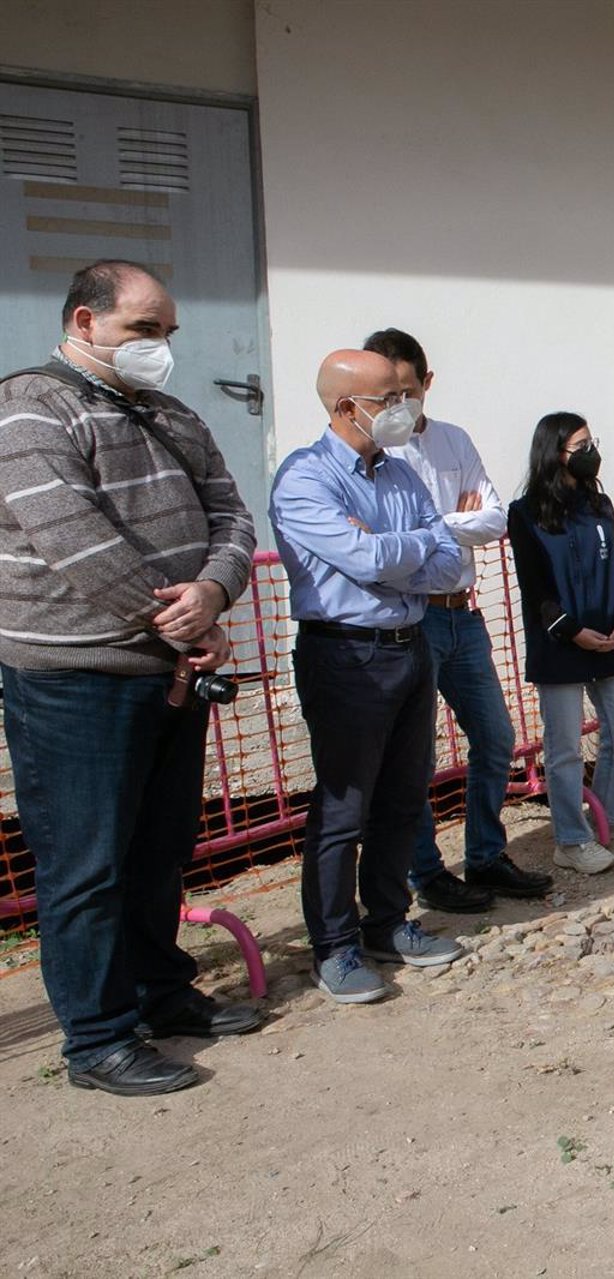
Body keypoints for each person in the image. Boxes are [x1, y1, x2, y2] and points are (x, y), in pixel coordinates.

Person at [0, 260, 259, 1095]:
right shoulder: (31, 409)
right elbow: (73, 539)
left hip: (168, 671)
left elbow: (232, 511)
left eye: (168, 332)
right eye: (144, 330)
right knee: (87, 864)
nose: (161, 347)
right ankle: (98, 1039)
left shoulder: (170, 414)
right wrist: (179, 622)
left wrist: (214, 590)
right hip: (77, 679)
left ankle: (161, 992)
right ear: (85, 322)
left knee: (158, 850)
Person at [271, 350, 469, 1004]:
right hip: (345, 655)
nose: (403, 408)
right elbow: (362, 555)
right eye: (388, 398)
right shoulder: (305, 478)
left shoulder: (402, 474)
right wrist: (404, 549)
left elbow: (449, 564)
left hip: (411, 648)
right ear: (346, 407)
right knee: (344, 807)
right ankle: (335, 945)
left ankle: (386, 922)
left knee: (403, 796)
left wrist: (393, 553)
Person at [366, 329, 556, 912]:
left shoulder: (454, 440)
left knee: (496, 737)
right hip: (410, 619)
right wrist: (452, 521)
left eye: (407, 390)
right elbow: (376, 542)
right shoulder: (372, 452)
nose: (398, 403)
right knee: (415, 758)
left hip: (461, 615)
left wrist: (426, 528)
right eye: (386, 393)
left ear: (427, 383)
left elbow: (495, 518)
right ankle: (428, 873)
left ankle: (484, 856)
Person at [507, 412, 614, 875]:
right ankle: (569, 840)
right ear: (555, 453)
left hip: (608, 641)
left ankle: (607, 816)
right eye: (581, 445)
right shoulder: (525, 514)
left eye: (593, 442)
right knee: (564, 746)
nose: (591, 452)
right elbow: (536, 591)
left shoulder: (600, 506)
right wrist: (572, 630)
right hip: (561, 645)